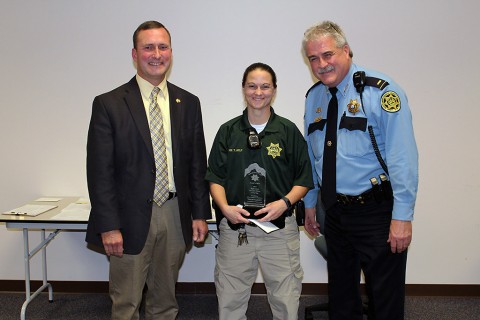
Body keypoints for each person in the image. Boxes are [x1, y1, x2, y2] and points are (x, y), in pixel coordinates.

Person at [85, 20, 211, 320]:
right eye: (148, 47)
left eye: (163, 46)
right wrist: (109, 225)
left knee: (165, 301)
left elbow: (196, 164)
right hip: (127, 219)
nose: (157, 54)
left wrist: (199, 213)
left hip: (174, 212)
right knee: (126, 303)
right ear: (134, 54)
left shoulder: (188, 102)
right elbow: (99, 170)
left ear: (171, 52)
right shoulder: (109, 104)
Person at [302, 21, 418, 320]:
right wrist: (311, 203)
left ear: (346, 50)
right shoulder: (314, 97)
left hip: (376, 213)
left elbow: (402, 157)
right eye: (313, 58)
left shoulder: (381, 92)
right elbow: (315, 156)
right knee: (341, 299)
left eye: (327, 54)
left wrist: (402, 217)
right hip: (336, 214)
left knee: (385, 300)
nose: (321, 64)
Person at [206, 62, 313, 320]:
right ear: (243, 89)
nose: (258, 92)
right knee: (230, 302)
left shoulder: (287, 131)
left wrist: (285, 203)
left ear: (274, 90)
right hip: (236, 230)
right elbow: (215, 178)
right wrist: (224, 208)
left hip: (278, 230)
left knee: (286, 300)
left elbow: (304, 178)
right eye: (252, 86)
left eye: (265, 86)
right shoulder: (228, 131)